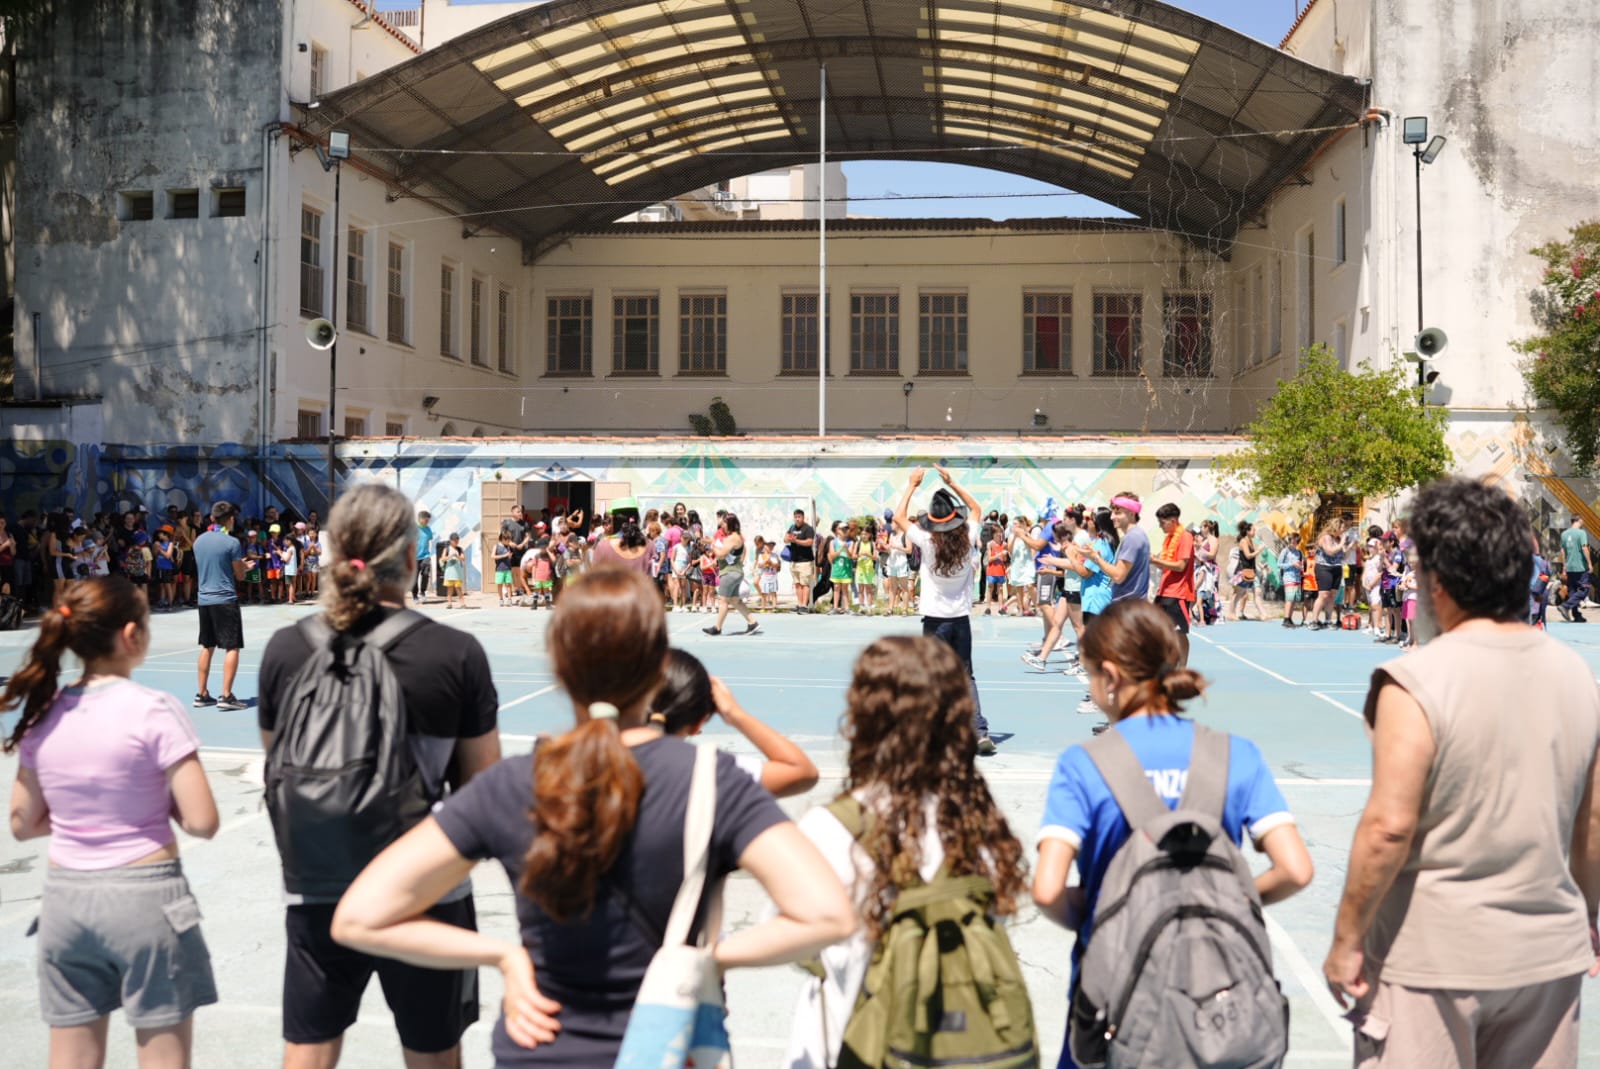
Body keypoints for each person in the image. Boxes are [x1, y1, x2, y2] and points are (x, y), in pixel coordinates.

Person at [328, 566, 855, 1067]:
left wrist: (503, 957)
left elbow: (360, 917)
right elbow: (827, 915)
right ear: (656, 670)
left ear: (559, 667)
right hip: (669, 1047)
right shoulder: (710, 780)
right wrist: (711, 960)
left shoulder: (513, 783)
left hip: (539, 1049)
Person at [1323, 476, 1600, 1068]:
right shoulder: (1577, 675)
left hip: (1433, 958)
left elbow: (1388, 828)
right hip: (1547, 955)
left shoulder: (1415, 680)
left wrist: (1347, 940)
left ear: (1438, 582)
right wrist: (1588, 915)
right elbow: (1592, 821)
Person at [258, 482, 502, 1069]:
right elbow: (482, 792)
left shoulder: (288, 650)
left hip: (319, 878)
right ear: (409, 552)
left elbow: (277, 766)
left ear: (335, 550)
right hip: (424, 885)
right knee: (433, 1050)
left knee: (309, 1046)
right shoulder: (453, 652)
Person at [1034, 599, 1314, 1069]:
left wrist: (1108, 909)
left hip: (1114, 1000)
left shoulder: (1084, 765)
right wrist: (1221, 896)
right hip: (1214, 998)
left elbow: (1046, 890)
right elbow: (1296, 869)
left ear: (1110, 675)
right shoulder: (1234, 755)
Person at [5, 576, 221, 1069]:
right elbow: (203, 819)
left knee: (72, 1058)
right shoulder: (155, 709)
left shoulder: (45, 714)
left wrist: (82, 811)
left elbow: (21, 822)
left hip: (66, 899)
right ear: (131, 636)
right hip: (146, 898)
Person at [783, 636, 1028, 1067]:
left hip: (853, 1036)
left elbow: (788, 933)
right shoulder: (980, 821)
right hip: (955, 1039)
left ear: (863, 717)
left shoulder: (836, 826)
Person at [893, 465, 997, 756]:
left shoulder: (927, 542)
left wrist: (912, 484)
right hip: (960, 619)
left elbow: (899, 517)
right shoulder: (966, 539)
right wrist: (953, 482)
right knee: (966, 676)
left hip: (935, 620)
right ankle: (978, 733)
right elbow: (976, 508)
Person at [651, 648, 818, 797]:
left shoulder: (625, 759)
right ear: (698, 725)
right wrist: (735, 714)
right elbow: (803, 772)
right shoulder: (711, 771)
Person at [192, 502, 247, 711]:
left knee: (207, 646)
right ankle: (226, 696)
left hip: (204, 600)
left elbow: (210, 566)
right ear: (231, 519)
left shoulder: (198, 541)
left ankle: (202, 693)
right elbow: (239, 574)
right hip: (225, 600)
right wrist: (244, 567)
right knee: (232, 646)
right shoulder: (232, 543)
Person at [1149, 502, 1196, 665]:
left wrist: (1156, 561)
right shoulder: (1168, 539)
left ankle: (1181, 669)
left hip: (1178, 592)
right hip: (1164, 591)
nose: (1160, 526)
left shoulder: (1185, 537)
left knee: (1179, 632)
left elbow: (1181, 565)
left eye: (1162, 522)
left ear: (1173, 520)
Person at [704, 511, 760, 636]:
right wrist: (712, 541)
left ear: (730, 524)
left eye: (724, 523)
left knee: (723, 600)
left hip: (729, 573)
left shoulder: (732, 538)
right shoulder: (736, 537)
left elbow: (721, 554)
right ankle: (753, 623)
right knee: (735, 600)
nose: (722, 526)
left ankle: (717, 628)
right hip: (735, 572)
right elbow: (725, 549)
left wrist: (712, 545)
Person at [1311, 517, 1345, 629]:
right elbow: (1330, 552)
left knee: (1332, 595)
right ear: (1336, 527)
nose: (1344, 529)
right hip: (1324, 567)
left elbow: (1342, 556)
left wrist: (1348, 547)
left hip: (1336, 567)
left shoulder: (1338, 539)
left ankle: (1328, 620)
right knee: (1323, 595)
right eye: (1342, 527)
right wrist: (1342, 544)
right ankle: (1314, 620)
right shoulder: (1326, 537)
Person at [1557, 515, 1592, 623]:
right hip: (1580, 567)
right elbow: (1584, 548)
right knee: (1584, 589)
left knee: (1572, 591)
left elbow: (1562, 551)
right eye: (1583, 520)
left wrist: (1564, 566)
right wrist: (1590, 563)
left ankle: (1576, 615)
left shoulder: (1564, 534)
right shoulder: (1581, 533)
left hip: (1570, 567)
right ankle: (1565, 606)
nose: (1583, 522)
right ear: (1579, 520)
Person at [1228, 520, 1263, 622]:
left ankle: (1233, 613)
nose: (1255, 532)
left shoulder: (1250, 541)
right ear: (1247, 531)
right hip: (1242, 571)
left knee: (1241, 593)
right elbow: (1248, 555)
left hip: (1249, 570)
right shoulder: (1243, 541)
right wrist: (1259, 550)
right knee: (1237, 593)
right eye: (1253, 530)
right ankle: (1231, 613)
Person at [1279, 531, 1306, 627]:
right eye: (1290, 540)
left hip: (1297, 578)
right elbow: (1279, 564)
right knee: (1289, 598)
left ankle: (1290, 618)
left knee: (1294, 599)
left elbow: (1302, 565)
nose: (1291, 543)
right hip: (1288, 577)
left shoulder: (1299, 553)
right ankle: (1285, 619)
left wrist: (1301, 568)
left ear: (1297, 543)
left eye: (1293, 541)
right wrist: (1292, 564)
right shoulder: (1285, 551)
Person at [414, 510, 436, 604]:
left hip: (425, 555)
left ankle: (422, 592)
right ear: (420, 519)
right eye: (426, 520)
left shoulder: (428, 529)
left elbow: (429, 540)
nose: (427, 522)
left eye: (428, 520)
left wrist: (429, 552)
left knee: (426, 574)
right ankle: (415, 595)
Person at [441, 533, 466, 609]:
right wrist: (450, 556)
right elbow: (443, 559)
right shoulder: (447, 549)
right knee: (449, 589)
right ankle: (449, 603)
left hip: (458, 573)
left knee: (459, 589)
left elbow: (463, 558)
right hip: (449, 573)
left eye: (457, 539)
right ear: (451, 540)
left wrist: (457, 556)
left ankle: (462, 604)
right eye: (454, 540)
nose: (456, 541)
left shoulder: (460, 549)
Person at [493, 531, 514, 606]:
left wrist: (509, 557)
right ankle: (501, 599)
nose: (509, 542)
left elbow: (508, 557)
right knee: (500, 585)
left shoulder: (508, 547)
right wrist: (504, 556)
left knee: (508, 584)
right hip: (499, 569)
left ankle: (509, 599)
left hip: (507, 568)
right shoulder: (496, 546)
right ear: (502, 539)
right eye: (507, 540)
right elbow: (493, 556)